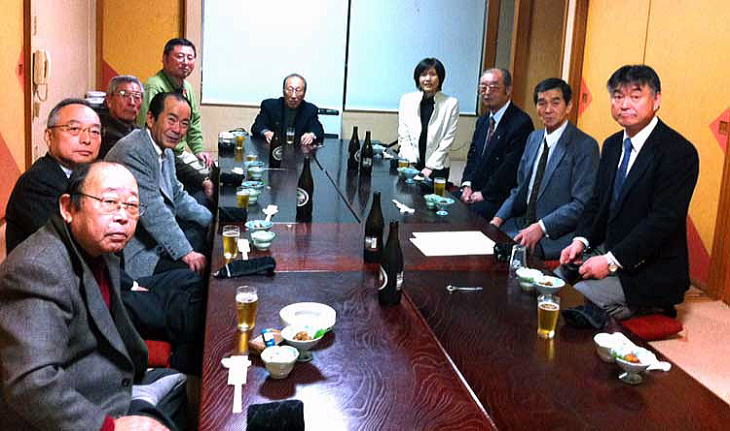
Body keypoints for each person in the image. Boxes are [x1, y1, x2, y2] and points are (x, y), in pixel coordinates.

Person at [0, 162, 185, 431]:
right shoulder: (37, 268)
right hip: (70, 412)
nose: (122, 216)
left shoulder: (99, 247)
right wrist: (109, 427)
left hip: (110, 383)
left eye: (132, 206)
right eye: (109, 202)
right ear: (68, 208)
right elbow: (30, 383)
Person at [558, 65, 699, 322]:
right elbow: (597, 201)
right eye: (617, 96)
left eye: (635, 96)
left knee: (577, 302)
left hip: (651, 266)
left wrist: (610, 262)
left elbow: (662, 221)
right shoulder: (613, 144)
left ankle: (653, 306)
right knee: (552, 284)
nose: (624, 104)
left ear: (656, 100)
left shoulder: (679, 152)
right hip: (608, 248)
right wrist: (581, 241)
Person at [107, 91, 212, 279]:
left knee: (204, 235)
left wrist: (212, 220)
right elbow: (153, 210)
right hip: (136, 248)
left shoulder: (166, 151)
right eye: (171, 120)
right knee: (195, 276)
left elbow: (177, 195)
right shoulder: (132, 151)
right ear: (150, 119)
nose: (178, 129)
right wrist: (187, 253)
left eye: (184, 124)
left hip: (155, 236)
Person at [491, 78, 599, 259]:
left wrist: (541, 227)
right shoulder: (534, 138)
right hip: (521, 224)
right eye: (542, 103)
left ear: (569, 106)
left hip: (555, 235)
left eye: (555, 102)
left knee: (508, 260)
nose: (548, 110)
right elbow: (519, 188)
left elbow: (581, 204)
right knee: (484, 245)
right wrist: (497, 219)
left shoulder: (585, 145)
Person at [99, 74, 213, 205]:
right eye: (124, 95)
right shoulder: (105, 134)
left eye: (137, 96)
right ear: (109, 100)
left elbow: (170, 159)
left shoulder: (135, 129)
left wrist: (203, 180)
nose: (132, 102)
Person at [5, 98, 100, 252]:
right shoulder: (37, 183)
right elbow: (72, 243)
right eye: (74, 129)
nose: (87, 140)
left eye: (94, 131)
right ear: (49, 136)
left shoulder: (90, 175)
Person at [458, 68, 534, 220]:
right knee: (445, 202)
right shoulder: (483, 120)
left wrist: (484, 194)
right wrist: (467, 185)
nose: (487, 92)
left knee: (466, 216)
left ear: (508, 90)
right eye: (483, 87)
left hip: (500, 196)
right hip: (476, 188)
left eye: (493, 87)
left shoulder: (520, 122)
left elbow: (510, 168)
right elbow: (473, 156)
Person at [137, 38, 214, 168]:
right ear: (165, 59)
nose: (185, 62)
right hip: (158, 154)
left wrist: (198, 150)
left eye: (190, 58)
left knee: (212, 169)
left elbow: (193, 122)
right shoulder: (153, 86)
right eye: (180, 57)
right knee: (201, 176)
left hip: (177, 153)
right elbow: (145, 128)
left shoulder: (187, 87)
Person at [397, 58, 459, 180]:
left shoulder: (451, 103)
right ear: (418, 78)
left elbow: (447, 140)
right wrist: (411, 163)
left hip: (437, 166)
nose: (428, 79)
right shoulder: (407, 100)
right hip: (410, 163)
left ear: (440, 77)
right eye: (423, 74)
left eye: (432, 74)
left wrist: (430, 168)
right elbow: (403, 135)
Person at [251, 73, 325, 148]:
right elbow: (257, 126)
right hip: (272, 149)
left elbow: (318, 130)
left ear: (304, 93)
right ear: (283, 91)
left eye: (298, 90)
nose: (293, 96)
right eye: (290, 90)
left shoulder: (310, 109)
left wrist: (311, 135)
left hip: (298, 151)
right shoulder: (269, 106)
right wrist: (266, 132)